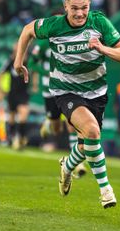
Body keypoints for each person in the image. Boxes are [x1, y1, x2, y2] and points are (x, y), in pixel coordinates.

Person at [13, 0, 120, 208]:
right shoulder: (54, 26)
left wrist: (102, 49)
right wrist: (19, 62)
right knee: (93, 131)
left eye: (84, 8)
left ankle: (67, 166)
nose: (79, 13)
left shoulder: (99, 23)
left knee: (87, 143)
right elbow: (27, 30)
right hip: (65, 91)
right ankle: (106, 190)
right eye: (74, 8)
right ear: (65, 6)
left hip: (96, 92)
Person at [30, 39, 87, 177]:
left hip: (67, 88)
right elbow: (32, 63)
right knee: (57, 128)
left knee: (71, 124)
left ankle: (77, 161)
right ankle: (49, 122)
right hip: (49, 90)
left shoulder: (71, 41)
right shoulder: (43, 44)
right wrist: (47, 73)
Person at [0, 45, 30, 150]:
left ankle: (21, 137)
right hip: (12, 93)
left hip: (23, 93)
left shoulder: (29, 61)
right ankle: (11, 137)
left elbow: (35, 71)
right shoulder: (10, 62)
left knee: (23, 113)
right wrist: (0, 91)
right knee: (12, 116)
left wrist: (34, 85)